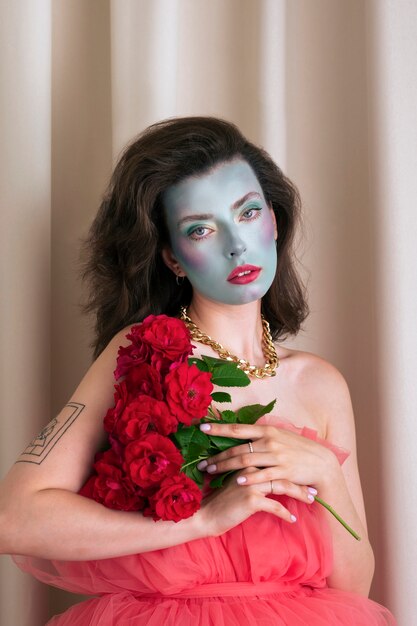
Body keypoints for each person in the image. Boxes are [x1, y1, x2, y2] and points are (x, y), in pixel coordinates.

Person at [0, 117, 396, 625]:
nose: (237, 245)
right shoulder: (140, 356)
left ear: (275, 221)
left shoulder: (321, 384)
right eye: (201, 229)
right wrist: (201, 522)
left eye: (249, 213)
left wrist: (325, 473)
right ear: (172, 258)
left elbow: (355, 587)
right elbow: (14, 519)